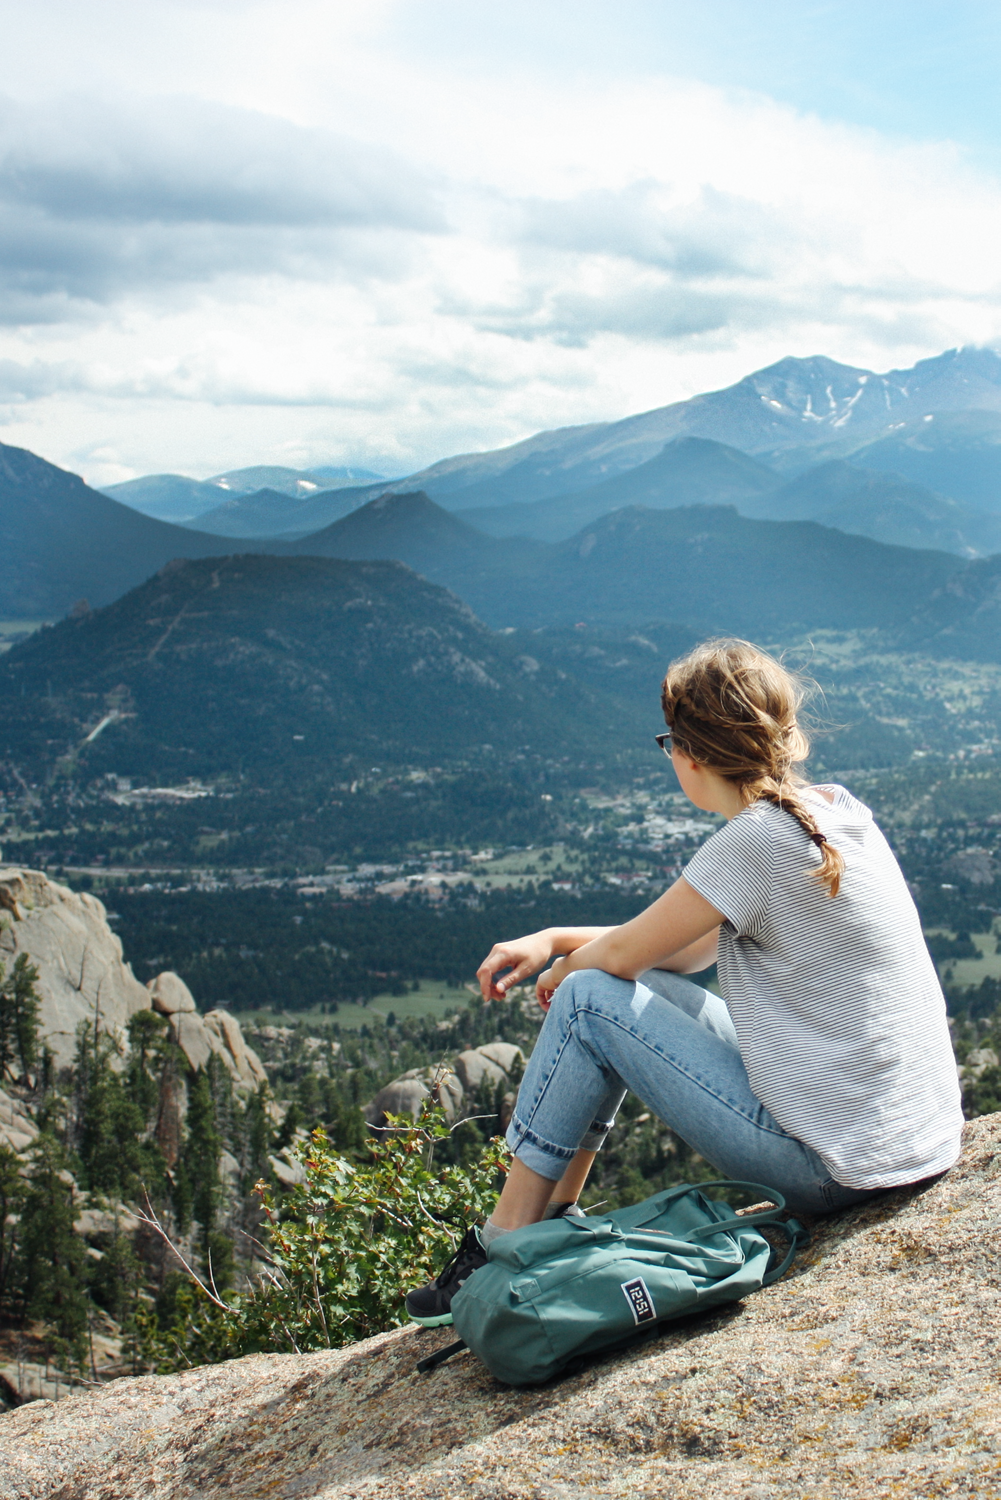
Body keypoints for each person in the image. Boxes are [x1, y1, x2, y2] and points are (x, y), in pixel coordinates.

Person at [405, 638, 964, 1328]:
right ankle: (555, 1217)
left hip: (834, 1166)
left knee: (586, 1002)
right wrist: (557, 941)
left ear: (691, 753)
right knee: (609, 995)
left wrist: (568, 969)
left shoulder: (753, 842)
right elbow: (681, 949)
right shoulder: (826, 809)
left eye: (668, 742)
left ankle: (505, 1240)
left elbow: (621, 961)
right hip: (909, 1141)